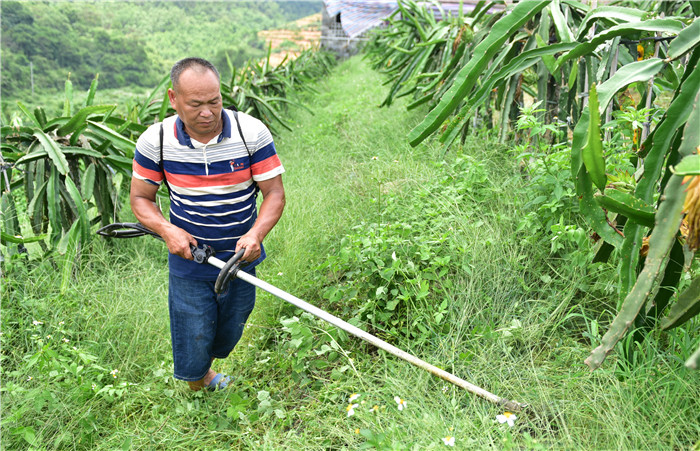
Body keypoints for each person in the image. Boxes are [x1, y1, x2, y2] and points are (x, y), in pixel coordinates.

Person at [130, 57, 286, 391]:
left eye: (214, 102)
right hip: (189, 259)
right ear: (173, 99)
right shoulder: (155, 141)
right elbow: (140, 199)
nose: (207, 113)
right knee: (193, 329)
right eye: (195, 104)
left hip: (240, 258)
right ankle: (197, 388)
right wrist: (167, 229)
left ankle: (206, 368)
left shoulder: (250, 132)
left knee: (230, 328)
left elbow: (274, 193)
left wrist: (256, 234)